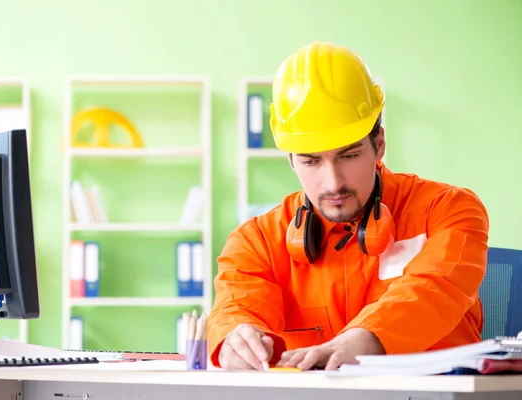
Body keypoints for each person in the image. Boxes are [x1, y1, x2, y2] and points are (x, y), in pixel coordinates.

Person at [206, 42, 489, 371]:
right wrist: (235, 339)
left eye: (349, 155)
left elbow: (434, 288)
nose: (333, 183)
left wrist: (364, 338)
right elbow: (235, 310)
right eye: (311, 161)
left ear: (379, 143)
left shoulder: (449, 211)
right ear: (291, 161)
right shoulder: (256, 243)